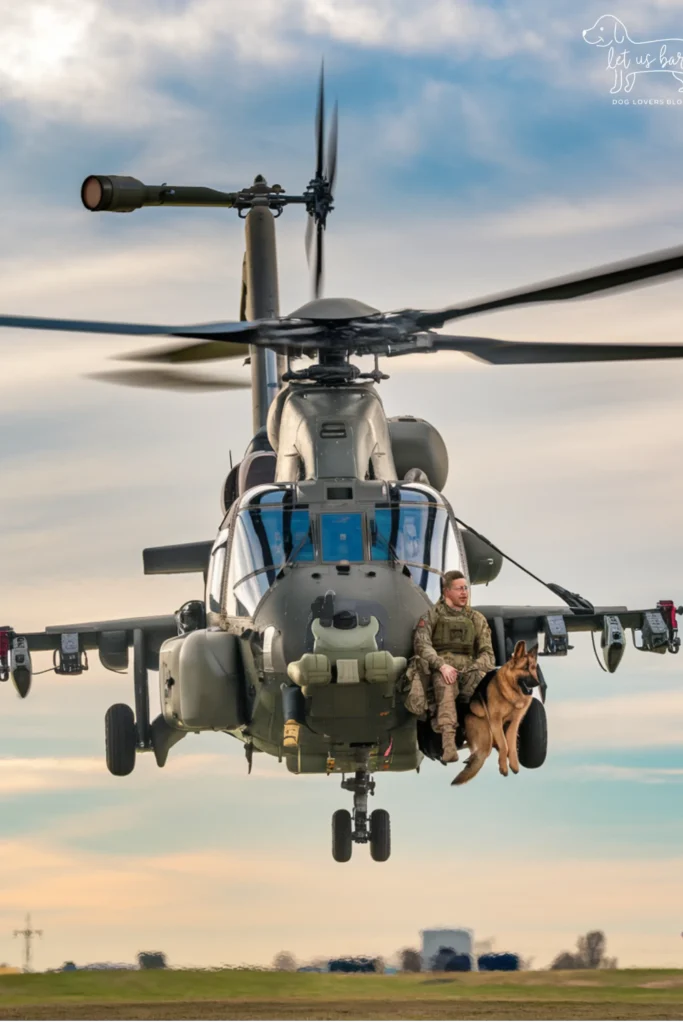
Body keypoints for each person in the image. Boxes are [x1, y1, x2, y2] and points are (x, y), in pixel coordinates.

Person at [411, 570, 495, 764]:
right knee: (445, 684)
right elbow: (422, 645)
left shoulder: (477, 619)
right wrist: (441, 665)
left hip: (469, 670)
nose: (464, 593)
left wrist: (475, 667)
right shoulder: (431, 617)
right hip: (441, 669)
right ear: (446, 591)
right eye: (459, 589)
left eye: (465, 588)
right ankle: (448, 744)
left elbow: (487, 653)